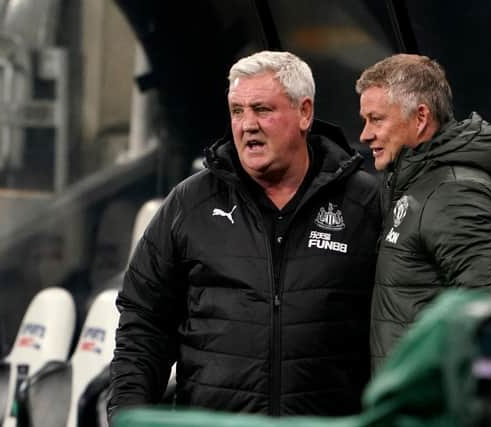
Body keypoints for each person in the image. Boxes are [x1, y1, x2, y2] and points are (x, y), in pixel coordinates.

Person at [108, 51, 381, 418]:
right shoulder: (190, 204)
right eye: (237, 111)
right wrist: (128, 416)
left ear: (304, 113)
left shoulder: (366, 203)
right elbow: (143, 324)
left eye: (262, 109)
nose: (246, 125)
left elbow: (397, 323)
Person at [355, 54, 491, 371]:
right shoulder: (415, 182)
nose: (365, 134)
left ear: (420, 117)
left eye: (376, 119)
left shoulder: (454, 193)